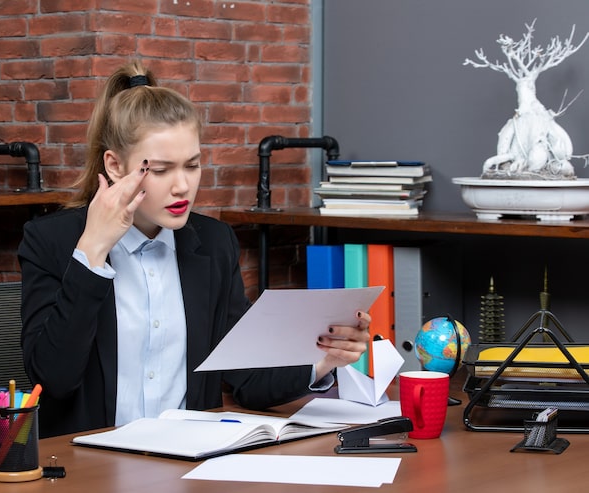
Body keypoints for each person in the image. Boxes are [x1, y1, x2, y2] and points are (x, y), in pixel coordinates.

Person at [18, 60, 371, 438]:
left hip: (188, 461)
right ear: (115, 166)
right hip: (88, 466)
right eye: (161, 170)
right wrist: (92, 251)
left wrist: (322, 362)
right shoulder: (52, 242)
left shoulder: (214, 244)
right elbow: (53, 378)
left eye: (192, 165)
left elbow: (245, 375)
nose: (182, 186)